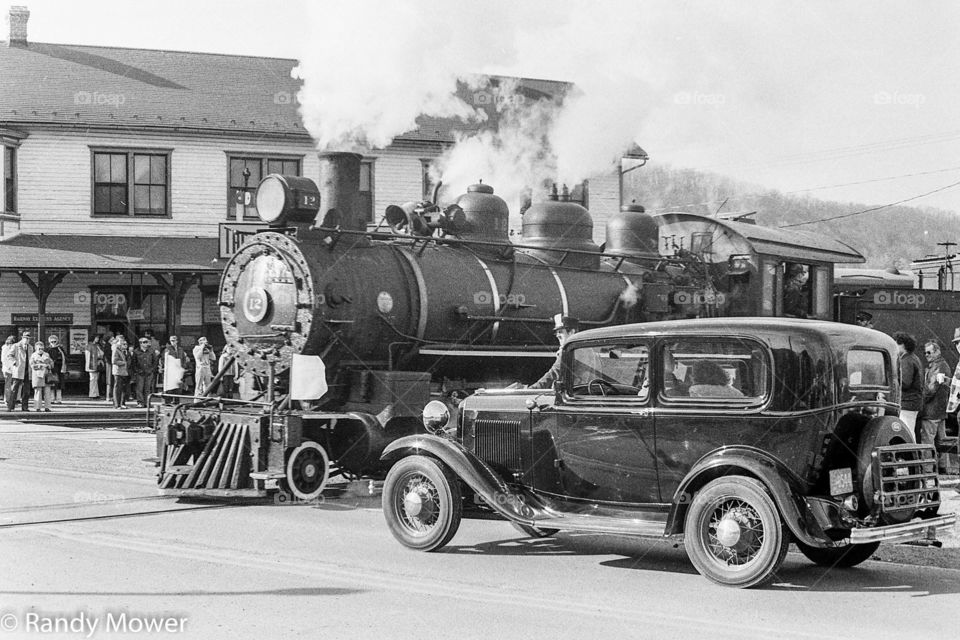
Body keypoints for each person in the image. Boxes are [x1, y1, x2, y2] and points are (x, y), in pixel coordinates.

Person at [920, 340, 951, 467]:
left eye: (929, 352)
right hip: (940, 410)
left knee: (927, 439)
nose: (926, 355)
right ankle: (944, 466)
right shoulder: (941, 365)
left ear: (937, 352)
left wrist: (921, 402)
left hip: (931, 411)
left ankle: (927, 467)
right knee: (942, 440)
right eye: (925, 353)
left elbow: (931, 389)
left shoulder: (938, 367)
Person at [528, 314, 579, 390]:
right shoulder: (587, 349)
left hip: (574, 396)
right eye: (556, 332)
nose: (557, 335)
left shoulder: (568, 352)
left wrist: (532, 389)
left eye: (560, 332)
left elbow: (553, 374)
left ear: (571, 332)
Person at [894, 332, 923, 433]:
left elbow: (905, 383)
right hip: (912, 402)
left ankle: (910, 449)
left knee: (907, 432)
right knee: (909, 430)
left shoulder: (906, 360)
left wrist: (894, 377)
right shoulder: (913, 358)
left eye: (897, 343)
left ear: (903, 345)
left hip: (907, 403)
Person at [6, 331, 32, 411]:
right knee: (14, 389)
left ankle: (25, 407)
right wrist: (14, 362)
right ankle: (10, 407)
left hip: (28, 371)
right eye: (26, 338)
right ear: (22, 338)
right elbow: (9, 355)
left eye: (28, 339)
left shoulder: (30, 347)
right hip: (18, 370)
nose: (27, 340)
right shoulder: (16, 346)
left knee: (26, 391)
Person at [131, 336, 160, 407]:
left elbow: (155, 362)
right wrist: (137, 370)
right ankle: (140, 402)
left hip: (149, 372)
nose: (146, 344)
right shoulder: (136, 351)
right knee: (139, 388)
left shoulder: (151, 351)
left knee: (147, 388)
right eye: (145, 342)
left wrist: (152, 370)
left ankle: (147, 402)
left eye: (147, 342)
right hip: (140, 373)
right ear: (141, 343)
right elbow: (134, 363)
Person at [29, 341, 53, 412]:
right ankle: (37, 407)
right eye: (39, 348)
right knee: (38, 391)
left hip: (46, 375)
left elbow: (51, 363)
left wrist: (49, 365)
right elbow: (32, 365)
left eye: (42, 348)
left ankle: (47, 407)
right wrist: (40, 365)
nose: (41, 350)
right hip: (38, 375)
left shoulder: (47, 354)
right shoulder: (33, 355)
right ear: (36, 348)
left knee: (47, 391)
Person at [46, 335, 68, 404]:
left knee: (59, 385)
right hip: (51, 369)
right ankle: (52, 399)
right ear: (49, 342)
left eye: (55, 341)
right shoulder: (48, 350)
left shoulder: (60, 349)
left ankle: (59, 399)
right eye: (52, 341)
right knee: (52, 383)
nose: (53, 343)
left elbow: (65, 358)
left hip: (60, 368)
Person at [111, 335, 130, 409]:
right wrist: (123, 362)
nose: (122, 343)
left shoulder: (121, 349)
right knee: (117, 388)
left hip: (123, 371)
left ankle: (122, 403)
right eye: (121, 341)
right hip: (118, 371)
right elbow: (114, 361)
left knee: (123, 388)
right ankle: (117, 404)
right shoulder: (115, 349)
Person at [2, 336, 16, 408]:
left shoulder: (10, 348)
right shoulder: (5, 348)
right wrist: (9, 367)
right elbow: (4, 360)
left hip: (12, 369)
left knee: (10, 385)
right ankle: (7, 400)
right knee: (8, 385)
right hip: (8, 369)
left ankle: (9, 399)